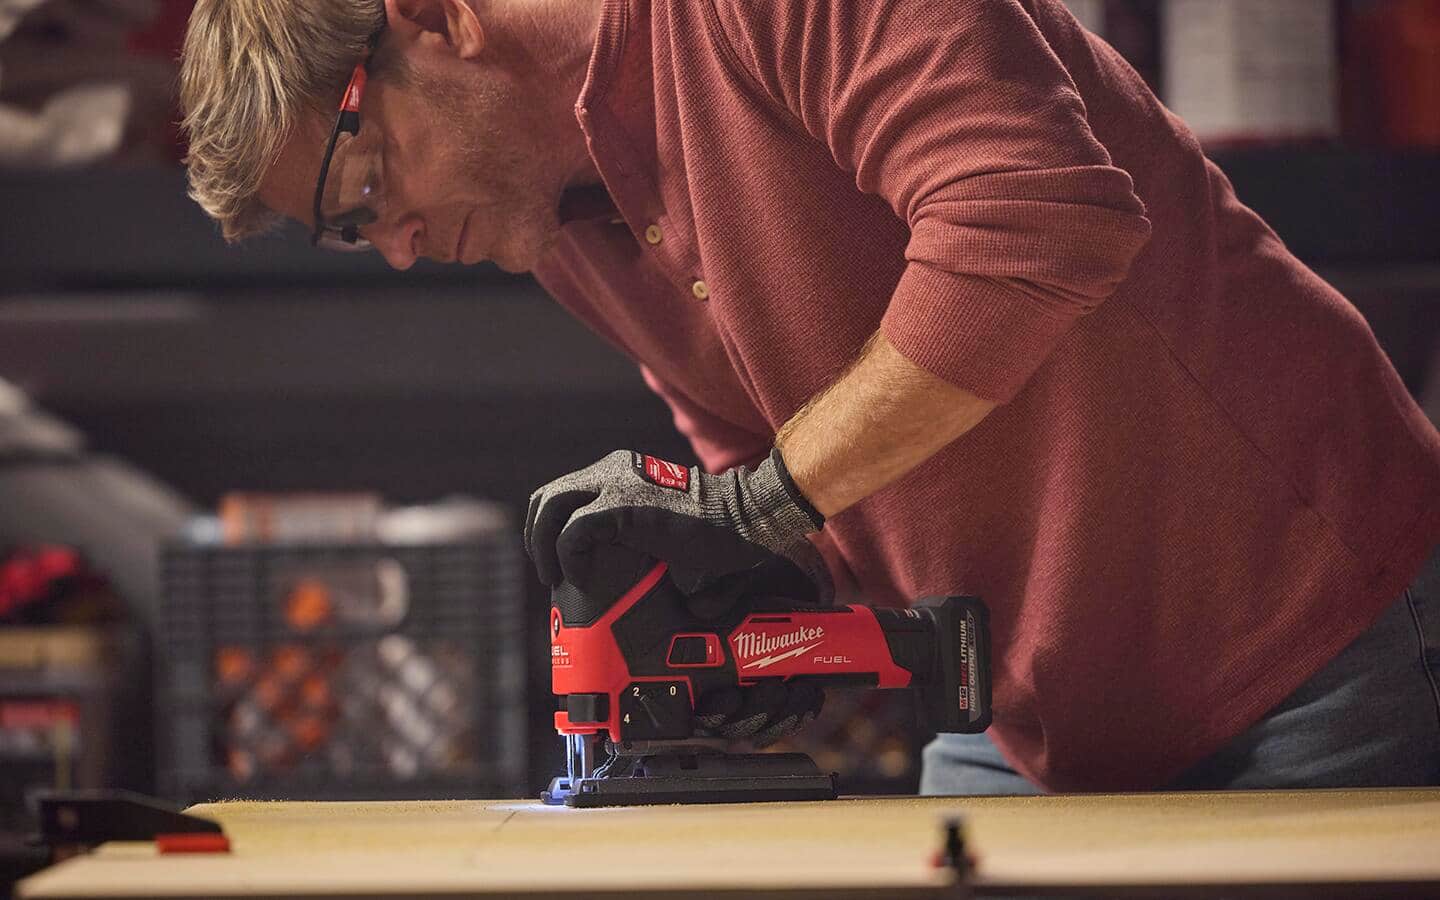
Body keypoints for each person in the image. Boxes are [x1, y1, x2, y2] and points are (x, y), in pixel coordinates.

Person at [177, 0, 1440, 793]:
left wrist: (765, 506)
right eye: (349, 239)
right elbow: (756, 433)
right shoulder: (546, 223)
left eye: (362, 193)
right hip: (1024, 711)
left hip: (1307, 633)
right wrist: (751, 611)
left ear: (428, 20)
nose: (393, 246)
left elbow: (1033, 222)